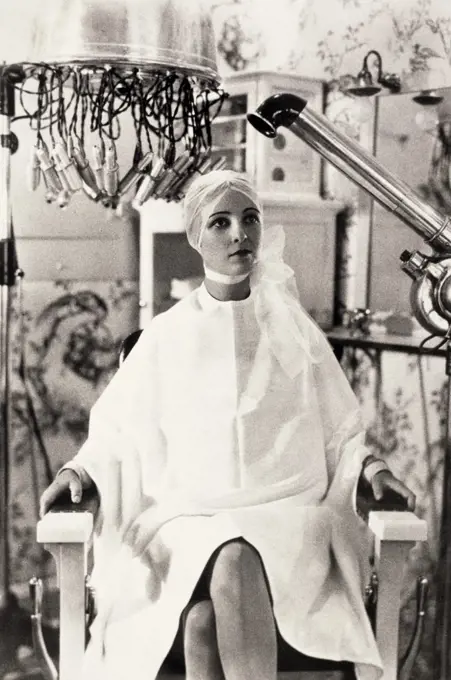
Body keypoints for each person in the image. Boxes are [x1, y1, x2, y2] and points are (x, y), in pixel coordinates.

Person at [40, 169, 415, 680]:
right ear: (196, 237)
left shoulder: (293, 330)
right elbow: (116, 435)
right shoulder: (165, 337)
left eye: (249, 219)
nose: (239, 233)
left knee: (207, 612)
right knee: (223, 572)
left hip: (289, 517)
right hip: (186, 521)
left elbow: (339, 430)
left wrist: (371, 470)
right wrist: (79, 474)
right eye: (220, 222)